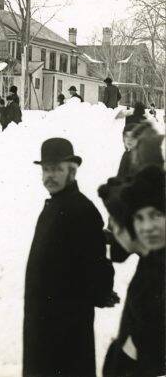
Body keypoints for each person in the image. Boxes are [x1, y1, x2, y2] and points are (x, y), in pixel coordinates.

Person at [23, 138, 116, 377]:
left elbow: (98, 268)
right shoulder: (54, 205)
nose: (49, 176)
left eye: (57, 169)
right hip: (43, 326)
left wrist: (97, 293)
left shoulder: (81, 210)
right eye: (46, 169)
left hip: (65, 334)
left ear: (72, 172)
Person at [100, 166, 165, 377]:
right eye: (140, 218)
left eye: (155, 215)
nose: (147, 227)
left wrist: (131, 348)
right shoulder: (151, 263)